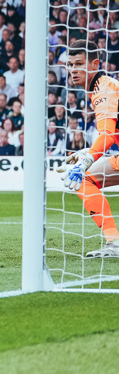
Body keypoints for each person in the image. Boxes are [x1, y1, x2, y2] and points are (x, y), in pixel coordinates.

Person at [57, 40, 119, 257]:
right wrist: (87, 152)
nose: (73, 70)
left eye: (79, 64)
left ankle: (114, 241)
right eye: (70, 64)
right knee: (86, 179)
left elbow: (109, 134)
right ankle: (114, 241)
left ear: (94, 64)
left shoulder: (104, 88)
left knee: (83, 177)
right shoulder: (100, 88)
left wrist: (86, 161)